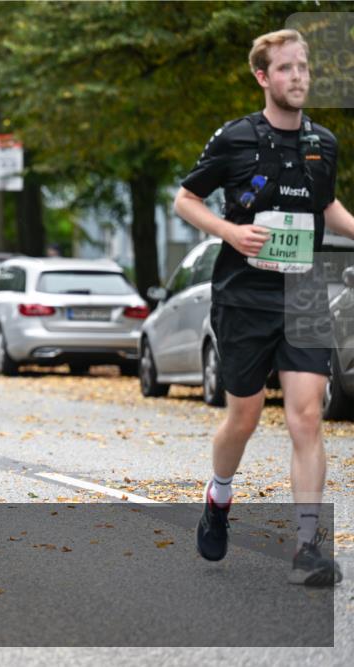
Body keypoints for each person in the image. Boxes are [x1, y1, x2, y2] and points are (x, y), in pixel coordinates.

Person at [174, 29, 354, 586]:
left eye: (303, 67)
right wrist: (230, 231)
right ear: (262, 76)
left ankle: (307, 546)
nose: (298, 77)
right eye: (285, 68)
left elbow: (328, 207)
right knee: (245, 416)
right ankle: (219, 496)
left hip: (303, 293)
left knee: (307, 415)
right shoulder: (235, 138)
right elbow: (185, 199)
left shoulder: (323, 143)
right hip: (243, 297)